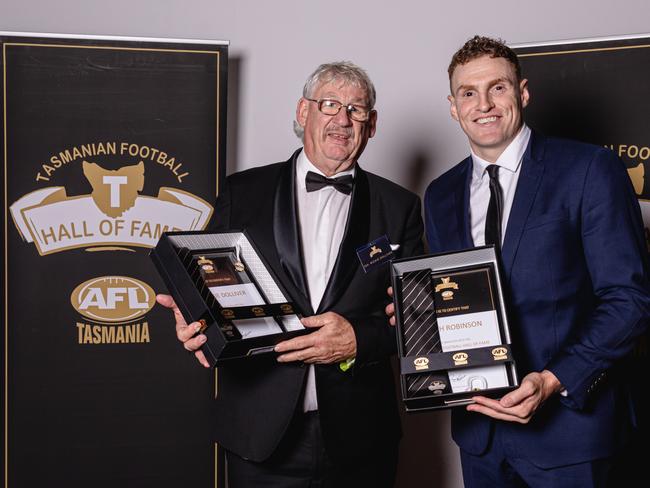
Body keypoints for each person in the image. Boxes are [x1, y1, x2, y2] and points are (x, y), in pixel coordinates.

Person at [157, 61, 423, 487]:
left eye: (357, 110)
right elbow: (206, 283)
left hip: (361, 437)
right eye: (330, 104)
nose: (342, 119)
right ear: (304, 113)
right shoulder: (242, 193)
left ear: (371, 125)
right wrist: (191, 315)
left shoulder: (400, 207)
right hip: (260, 434)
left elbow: (417, 322)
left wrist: (358, 338)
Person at [421, 36, 649, 487]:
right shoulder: (440, 194)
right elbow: (454, 301)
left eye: (498, 88)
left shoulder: (588, 169)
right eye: (468, 93)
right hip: (480, 436)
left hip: (571, 436)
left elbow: (629, 300)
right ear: (453, 106)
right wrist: (417, 314)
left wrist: (552, 379)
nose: (483, 104)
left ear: (522, 93)